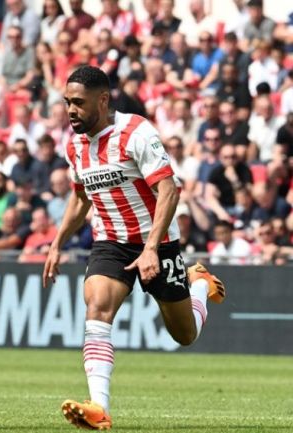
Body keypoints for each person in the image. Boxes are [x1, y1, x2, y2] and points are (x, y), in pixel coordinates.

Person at [42, 66, 227, 430]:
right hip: (110, 241)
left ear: (103, 99)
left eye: (78, 102)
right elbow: (81, 199)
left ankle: (200, 285)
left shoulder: (135, 132)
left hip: (157, 242)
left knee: (184, 335)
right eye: (67, 102)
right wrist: (56, 244)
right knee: (96, 306)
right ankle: (99, 407)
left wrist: (152, 249)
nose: (71, 110)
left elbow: (169, 191)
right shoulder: (74, 145)